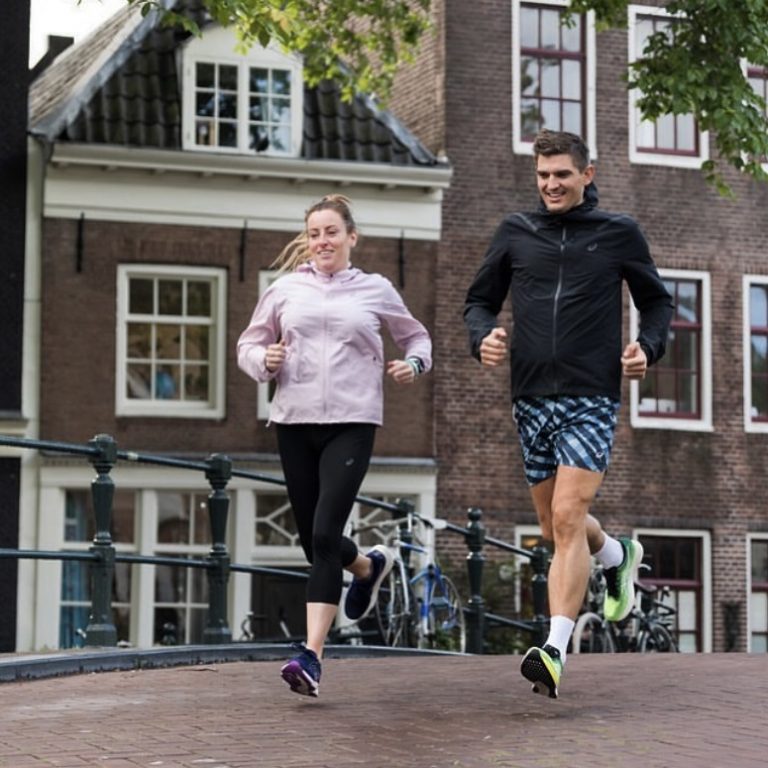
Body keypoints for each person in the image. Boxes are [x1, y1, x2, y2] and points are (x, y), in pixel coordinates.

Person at [463, 130, 673, 699]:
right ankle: (616, 553)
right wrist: (482, 336)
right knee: (561, 528)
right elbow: (478, 301)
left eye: (561, 174)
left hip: (591, 393)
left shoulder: (617, 233)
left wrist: (645, 348)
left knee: (567, 512)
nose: (551, 184)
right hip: (529, 395)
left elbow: (657, 302)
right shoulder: (515, 232)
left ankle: (553, 648)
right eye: (542, 175)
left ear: (588, 173)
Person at [237, 194, 432, 698]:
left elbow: (417, 339)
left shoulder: (375, 289)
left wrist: (414, 366)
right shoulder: (285, 290)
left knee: (325, 534)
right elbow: (248, 347)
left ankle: (312, 657)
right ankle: (368, 567)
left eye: (331, 231)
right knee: (311, 542)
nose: (322, 241)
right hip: (294, 421)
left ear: (351, 237)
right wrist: (267, 361)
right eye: (314, 233)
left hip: (352, 422)